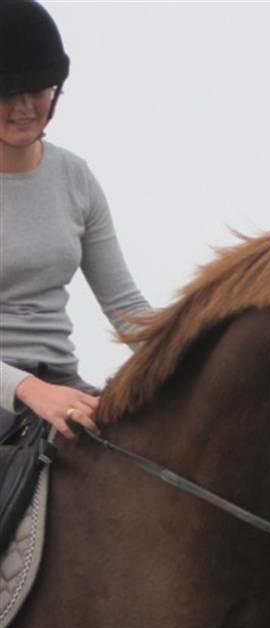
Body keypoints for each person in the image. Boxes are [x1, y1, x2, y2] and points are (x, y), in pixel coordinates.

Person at [0, 0, 149, 442]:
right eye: (7, 92)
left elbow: (126, 307)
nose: (25, 106)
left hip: (62, 382)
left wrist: (188, 362)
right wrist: (27, 389)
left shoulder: (75, 176)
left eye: (38, 89)